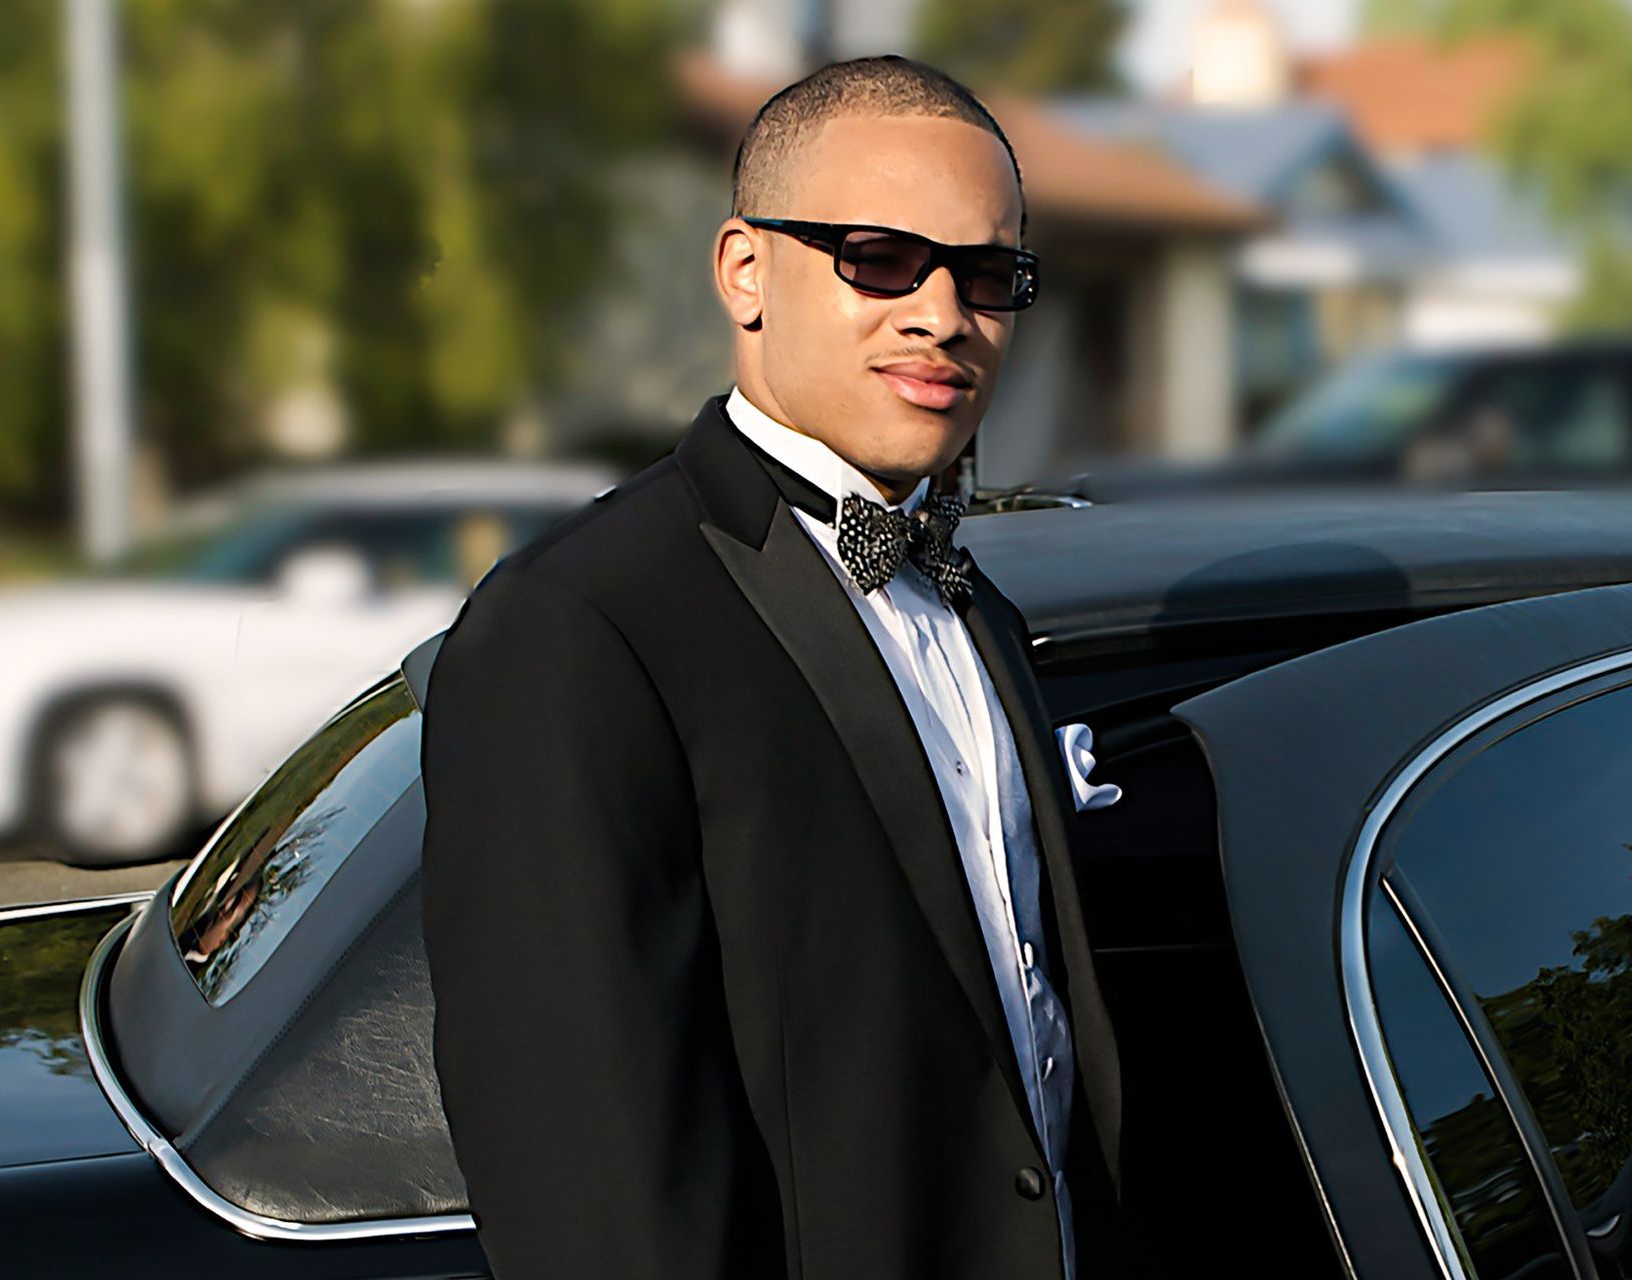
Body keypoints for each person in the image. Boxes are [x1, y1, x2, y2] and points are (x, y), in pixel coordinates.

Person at [419, 54, 1122, 1280]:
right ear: (747, 270)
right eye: (882, 258)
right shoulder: (581, 623)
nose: (943, 314)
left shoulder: (975, 602)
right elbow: (591, 1187)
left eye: (989, 275)